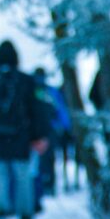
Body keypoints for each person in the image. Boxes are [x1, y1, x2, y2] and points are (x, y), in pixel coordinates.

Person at [0, 40, 48, 219]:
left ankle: (2, 210)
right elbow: (36, 110)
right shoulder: (25, 80)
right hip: (20, 136)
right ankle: (25, 211)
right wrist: (38, 136)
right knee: (22, 174)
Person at [33, 67, 71, 198]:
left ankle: (48, 185)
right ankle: (44, 185)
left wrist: (65, 126)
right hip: (47, 129)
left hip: (49, 129)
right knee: (44, 158)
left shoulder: (50, 91)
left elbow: (61, 109)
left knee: (47, 158)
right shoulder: (44, 91)